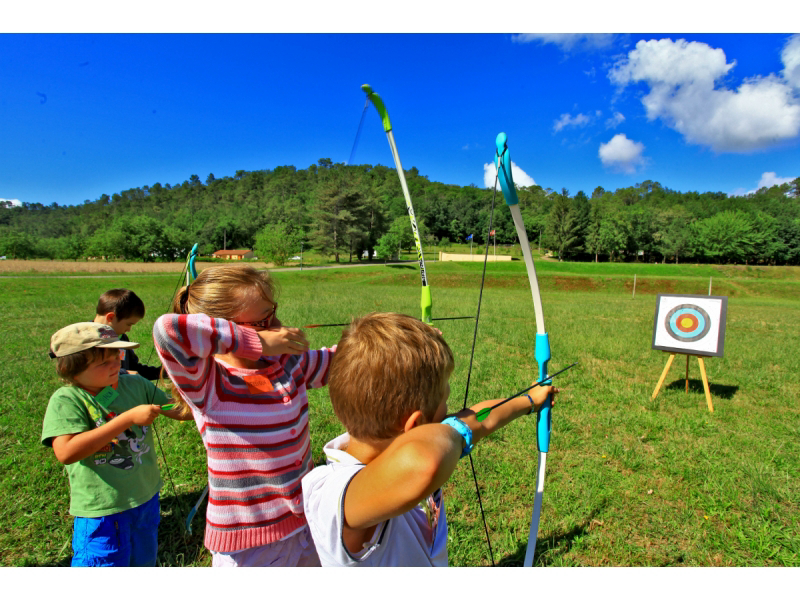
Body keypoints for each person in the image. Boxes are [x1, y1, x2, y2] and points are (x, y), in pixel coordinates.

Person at [301, 312, 558, 567]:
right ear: (414, 426)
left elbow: (479, 421)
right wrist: (459, 431)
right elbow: (425, 462)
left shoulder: (403, 440)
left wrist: (529, 400)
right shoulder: (330, 492)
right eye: (445, 402)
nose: (450, 413)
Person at [153, 264, 334, 567]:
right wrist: (256, 342)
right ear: (222, 329)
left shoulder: (287, 364)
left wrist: (398, 339)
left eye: (273, 312)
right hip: (249, 543)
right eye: (263, 320)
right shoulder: (209, 382)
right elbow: (167, 330)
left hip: (304, 525)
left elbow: (339, 361)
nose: (276, 324)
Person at [41, 322, 188, 567]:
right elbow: (66, 452)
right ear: (72, 370)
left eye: (117, 356)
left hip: (146, 498)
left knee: (143, 562)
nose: (116, 364)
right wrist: (127, 419)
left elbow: (179, 411)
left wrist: (205, 394)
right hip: (102, 510)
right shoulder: (68, 399)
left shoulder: (135, 384)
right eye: (104, 362)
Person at [93, 289, 161, 380]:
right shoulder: (87, 340)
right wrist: (125, 373)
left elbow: (133, 369)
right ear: (111, 317)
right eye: (128, 324)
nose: (129, 329)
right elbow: (90, 371)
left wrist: (162, 373)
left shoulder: (121, 337)